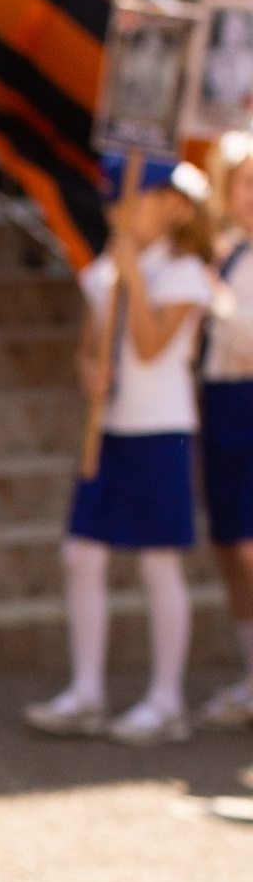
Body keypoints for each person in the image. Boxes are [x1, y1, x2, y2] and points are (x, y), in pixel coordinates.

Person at [26, 151, 216, 743]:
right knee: (82, 555)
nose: (120, 210)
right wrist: (90, 371)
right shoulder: (102, 272)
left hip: (161, 429)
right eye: (115, 199)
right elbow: (90, 346)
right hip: (109, 429)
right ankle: (87, 689)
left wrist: (132, 274)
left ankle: (166, 699)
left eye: (134, 198)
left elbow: (154, 344)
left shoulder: (184, 274)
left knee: (158, 561)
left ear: (174, 207)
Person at [196, 127, 253, 729]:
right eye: (244, 184)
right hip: (221, 405)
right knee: (229, 544)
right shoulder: (224, 251)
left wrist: (217, 305)